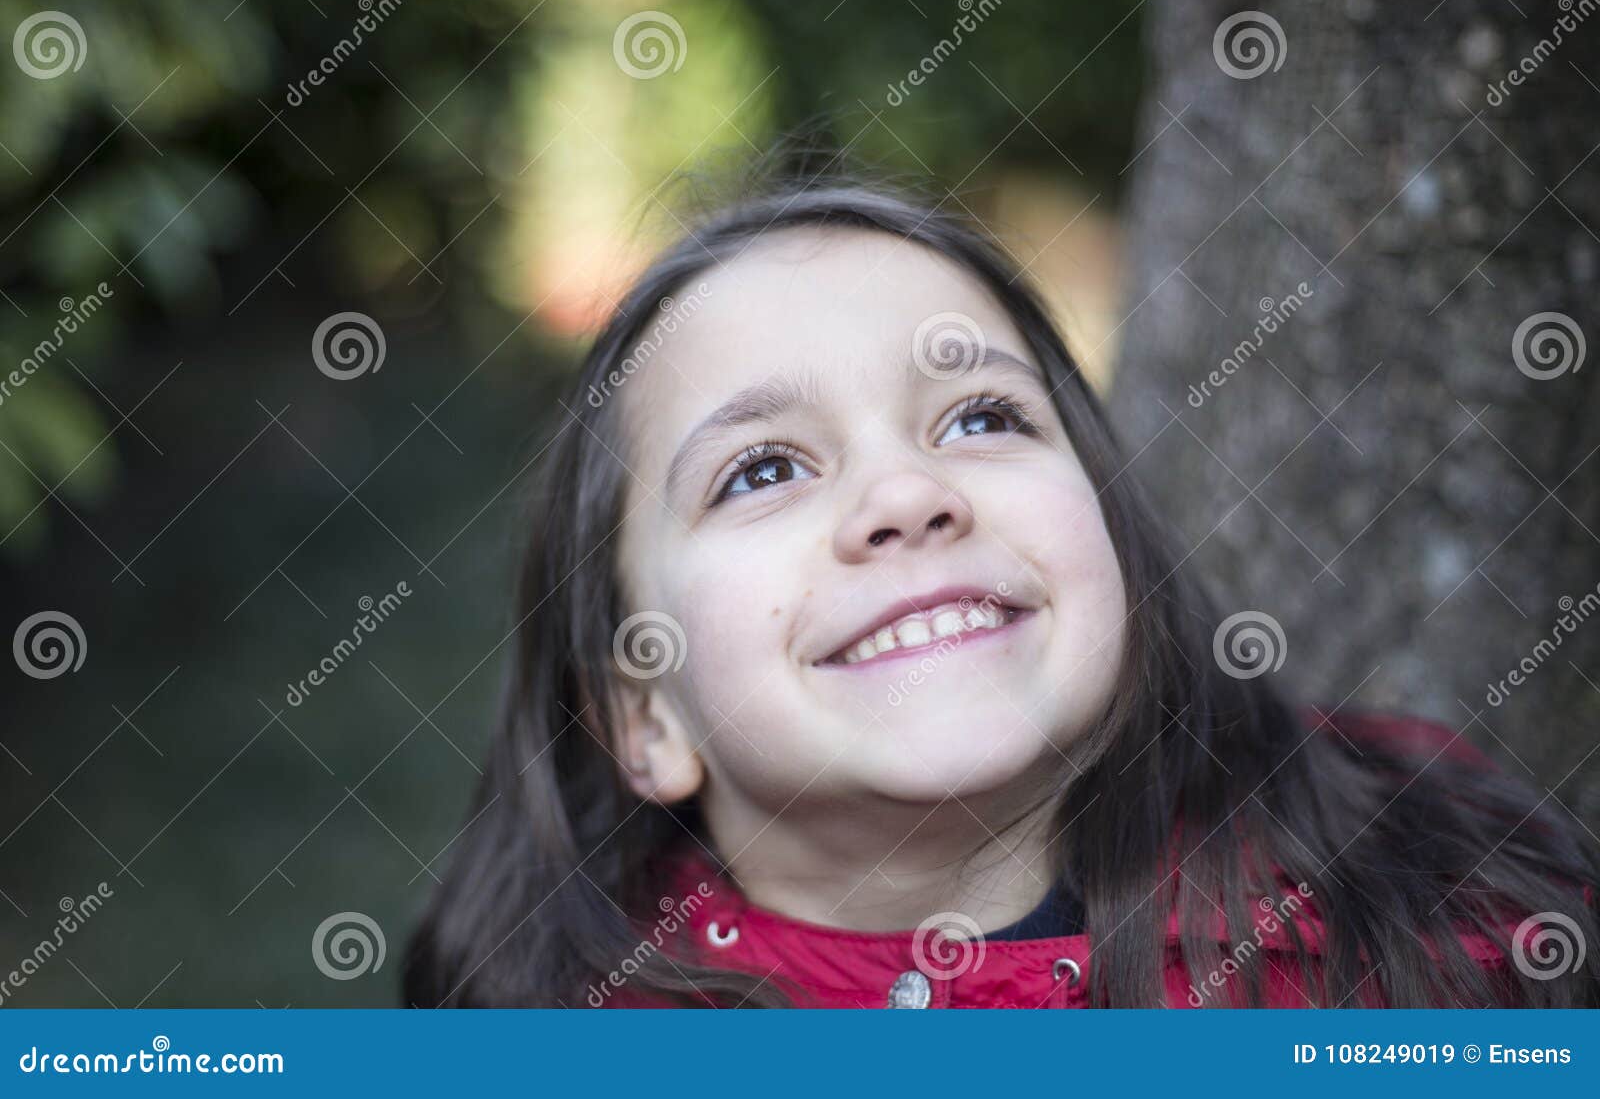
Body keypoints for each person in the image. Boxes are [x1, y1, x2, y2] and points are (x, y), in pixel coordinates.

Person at [403, 153, 1599, 1009]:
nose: (906, 496)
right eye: (763, 468)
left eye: (979, 417)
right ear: (645, 715)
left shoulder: (1441, 916)